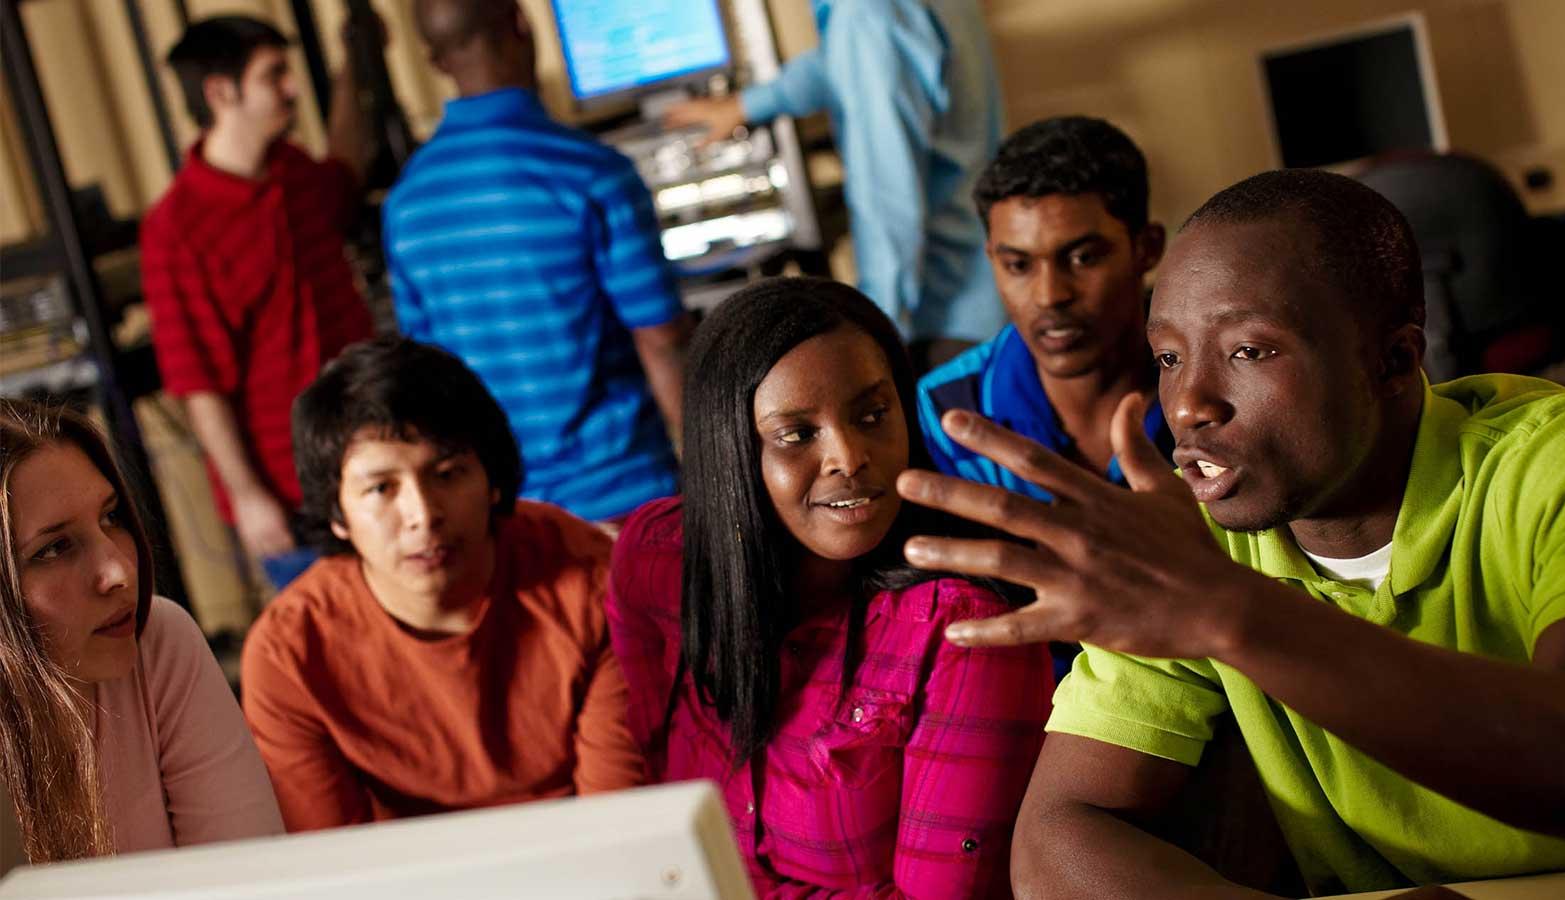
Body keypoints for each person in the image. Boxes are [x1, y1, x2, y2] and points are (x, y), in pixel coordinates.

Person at [892, 170, 1565, 896]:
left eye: (1249, 350)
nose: (1190, 404)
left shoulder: (1564, 462)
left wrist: (1231, 613)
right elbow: (1054, 845)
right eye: (1168, 357)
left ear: (1393, 360)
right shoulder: (1194, 540)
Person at [605, 277, 1053, 896]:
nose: (849, 456)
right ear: (730, 451)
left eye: (873, 415)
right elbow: (653, 794)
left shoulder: (968, 630)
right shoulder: (656, 558)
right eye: (796, 434)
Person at [240, 338, 646, 832]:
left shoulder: (595, 581)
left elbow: (619, 825)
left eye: (448, 474)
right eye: (381, 488)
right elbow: (338, 869)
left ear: (492, 480)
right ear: (336, 513)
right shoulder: (290, 656)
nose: (423, 515)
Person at [383, 0, 693, 525]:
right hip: (628, 494)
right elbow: (661, 339)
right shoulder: (591, 172)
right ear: (523, 26)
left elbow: (429, 371)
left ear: (435, 62)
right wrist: (710, 473)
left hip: (510, 515)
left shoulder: (409, 202)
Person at [0, 400, 282, 876]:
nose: (119, 571)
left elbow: (250, 881)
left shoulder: (158, 641)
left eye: (111, 517)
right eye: (54, 548)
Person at [142, 15, 375, 588]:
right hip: (293, 498)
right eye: (275, 75)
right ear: (222, 93)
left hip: (370, 461)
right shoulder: (177, 229)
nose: (291, 88)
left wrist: (352, 65)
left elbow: (345, 173)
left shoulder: (293, 172)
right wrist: (248, 496)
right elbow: (199, 385)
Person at [665, 0, 1007, 369]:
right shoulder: (872, 19)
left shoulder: (866, 15)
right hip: (976, 295)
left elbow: (890, 203)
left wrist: (872, 338)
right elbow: (846, 64)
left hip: (939, 321)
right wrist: (750, 104)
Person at [920, 116, 1173, 501]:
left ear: (1147, 248)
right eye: (1018, 265)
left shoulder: (1210, 392)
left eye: (1083, 258)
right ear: (992, 260)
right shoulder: (948, 409)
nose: (1049, 295)